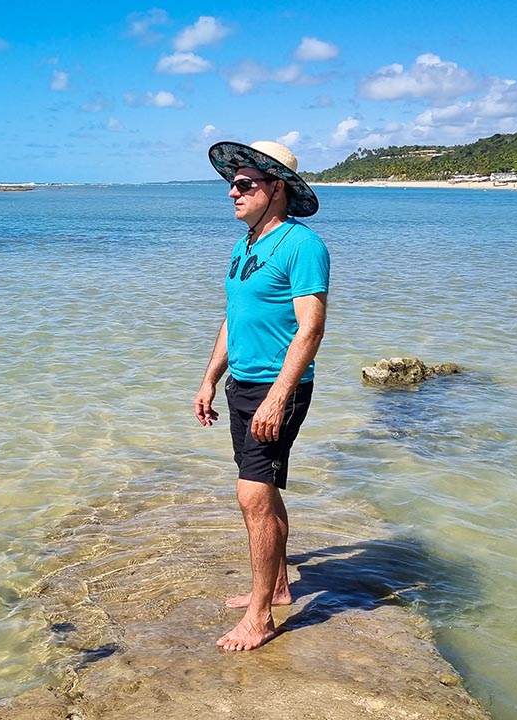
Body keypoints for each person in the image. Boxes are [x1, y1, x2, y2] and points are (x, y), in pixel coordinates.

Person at [194, 140, 330, 652]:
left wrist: (278, 397)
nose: (233, 191)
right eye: (232, 183)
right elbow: (234, 318)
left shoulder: (303, 245)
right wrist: (209, 378)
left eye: (245, 184)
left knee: (250, 492)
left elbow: (311, 329)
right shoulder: (246, 243)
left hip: (279, 387)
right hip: (241, 384)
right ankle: (275, 586)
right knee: (263, 489)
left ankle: (259, 617)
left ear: (277, 189)